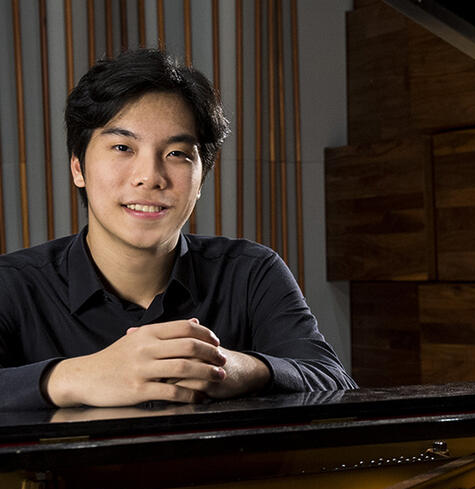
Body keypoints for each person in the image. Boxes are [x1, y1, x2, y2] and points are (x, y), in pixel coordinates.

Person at [0, 49, 356, 411]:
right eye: (122, 147)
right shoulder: (12, 285)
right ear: (78, 167)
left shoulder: (250, 271)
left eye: (176, 154)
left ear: (202, 177)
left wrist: (231, 368)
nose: (150, 177)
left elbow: (335, 383)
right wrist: (76, 377)